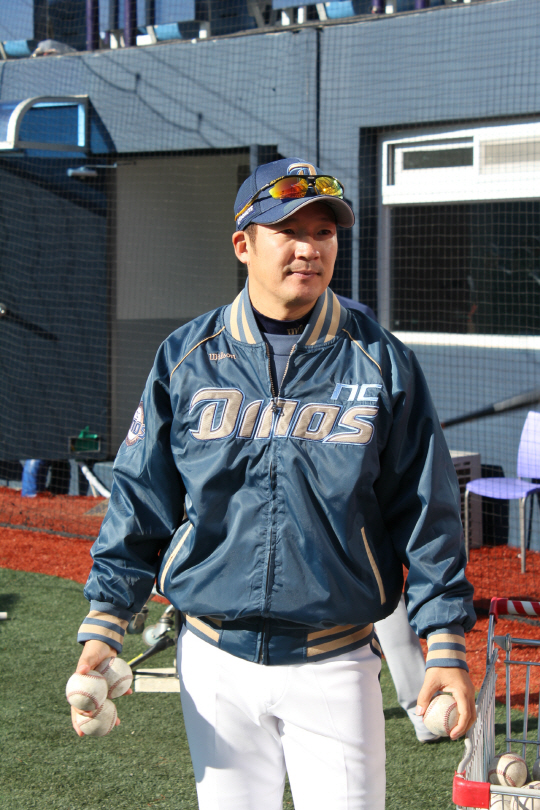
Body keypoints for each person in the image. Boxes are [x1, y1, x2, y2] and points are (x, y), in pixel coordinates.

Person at [71, 157, 476, 810]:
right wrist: (105, 622)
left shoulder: (382, 361)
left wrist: (446, 642)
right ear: (244, 244)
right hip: (213, 660)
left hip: (334, 661)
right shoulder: (187, 357)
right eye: (289, 230)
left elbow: (427, 512)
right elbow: (140, 498)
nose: (309, 249)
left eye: (324, 233)